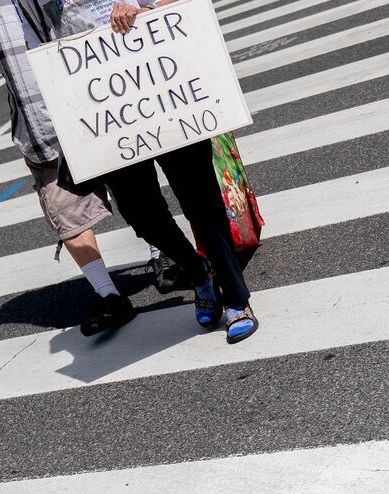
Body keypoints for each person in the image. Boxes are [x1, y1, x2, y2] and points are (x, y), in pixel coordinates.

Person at [0, 1, 181, 336]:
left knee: (136, 191)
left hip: (93, 100)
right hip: (38, 121)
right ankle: (108, 295)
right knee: (65, 211)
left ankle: (165, 255)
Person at [16, 0, 260, 343]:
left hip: (161, 82)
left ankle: (236, 299)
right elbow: (39, 45)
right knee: (139, 212)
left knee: (199, 198)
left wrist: (145, 8)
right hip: (104, 104)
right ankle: (197, 270)